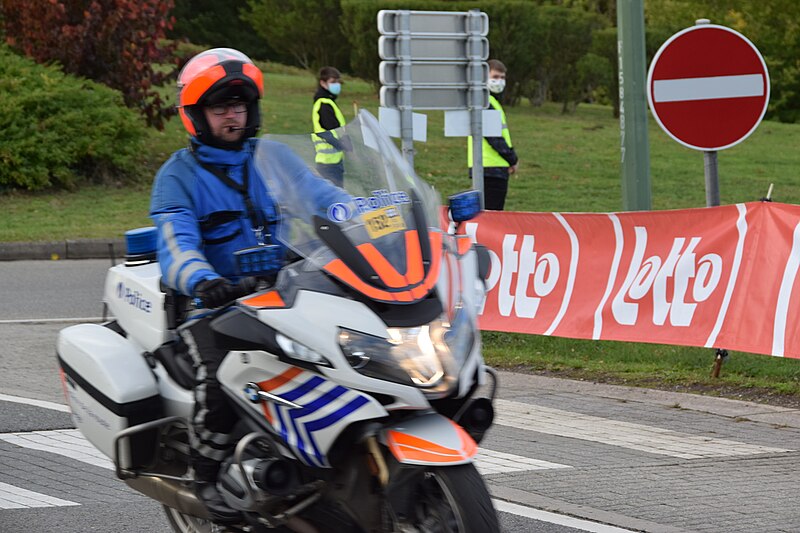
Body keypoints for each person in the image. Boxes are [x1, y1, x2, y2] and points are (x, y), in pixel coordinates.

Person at [149, 48, 346, 523]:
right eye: (221, 107)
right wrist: (202, 279)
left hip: (286, 295)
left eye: (239, 105)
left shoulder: (272, 157)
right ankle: (207, 473)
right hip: (213, 306)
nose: (233, 115)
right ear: (196, 116)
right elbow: (175, 242)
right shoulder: (177, 176)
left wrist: (368, 218)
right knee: (218, 377)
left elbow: (322, 196)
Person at [468, 59, 519, 211]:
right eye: (495, 77)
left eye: (502, 78)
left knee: (484, 213)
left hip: (488, 167)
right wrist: (512, 158)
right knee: (491, 215)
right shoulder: (485, 103)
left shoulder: (489, 101)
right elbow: (493, 137)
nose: (499, 82)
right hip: (491, 168)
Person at [312, 66, 347, 186]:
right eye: (333, 82)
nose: (337, 85)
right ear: (323, 83)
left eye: (338, 82)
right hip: (328, 164)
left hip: (333, 161)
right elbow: (329, 132)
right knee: (334, 201)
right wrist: (343, 145)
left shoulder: (329, 101)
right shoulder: (324, 104)